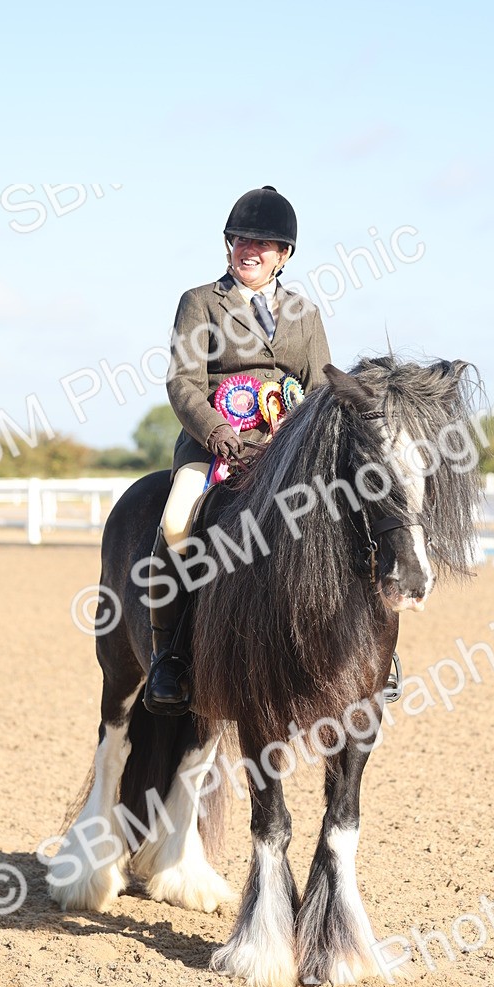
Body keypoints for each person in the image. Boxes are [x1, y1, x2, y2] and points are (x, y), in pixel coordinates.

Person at [143, 185, 331, 715]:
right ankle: (169, 655)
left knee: (342, 517)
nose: (252, 249)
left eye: (265, 243)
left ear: (284, 255)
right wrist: (214, 431)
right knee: (178, 522)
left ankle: (367, 654)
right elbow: (182, 382)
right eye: (242, 239)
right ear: (229, 244)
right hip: (214, 446)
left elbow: (319, 390)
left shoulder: (305, 313)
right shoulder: (201, 302)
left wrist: (302, 439)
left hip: (288, 449)